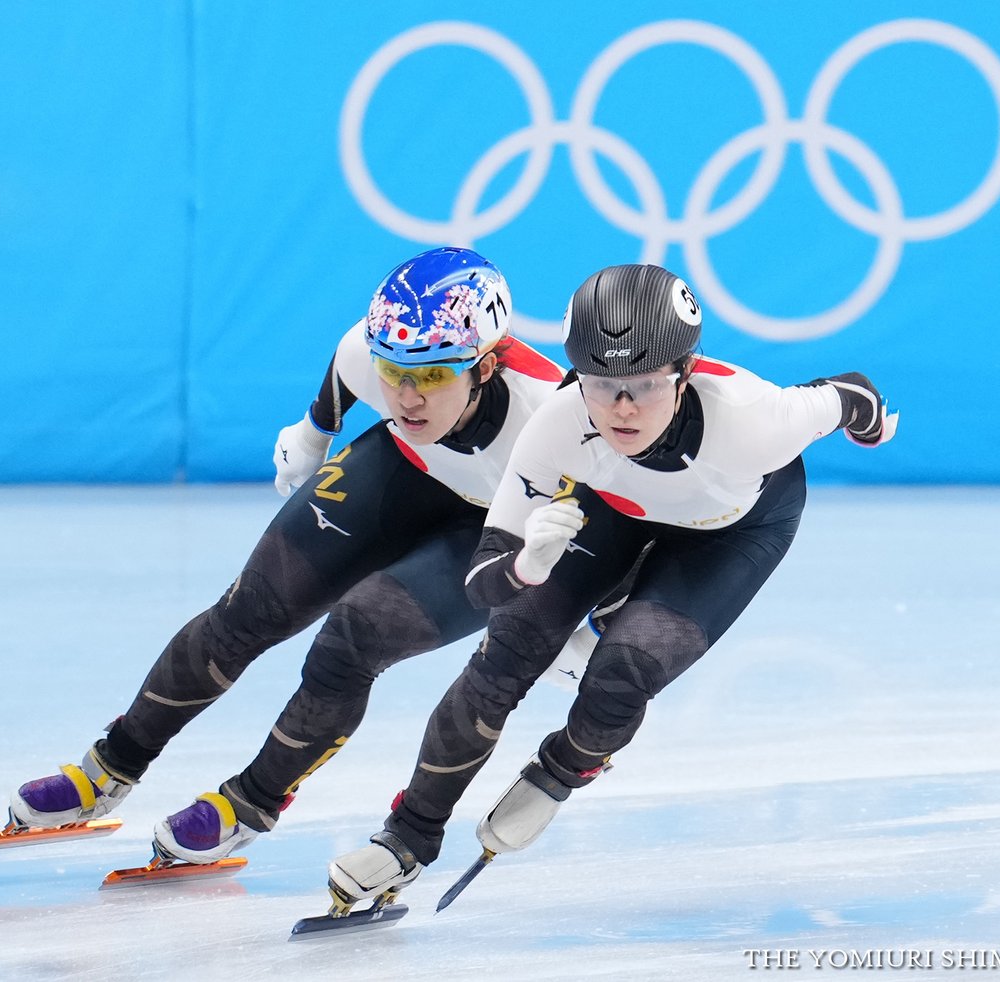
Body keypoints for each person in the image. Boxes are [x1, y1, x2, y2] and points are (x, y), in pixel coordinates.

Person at [327, 262, 898, 906]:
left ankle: (562, 768)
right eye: (601, 384)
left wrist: (871, 426)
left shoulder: (754, 418)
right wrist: (523, 565)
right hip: (614, 509)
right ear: (577, 375)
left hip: (731, 532)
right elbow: (483, 581)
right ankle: (406, 837)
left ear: (684, 373)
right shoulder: (559, 423)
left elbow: (851, 392)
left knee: (623, 672)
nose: (621, 408)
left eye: (645, 386)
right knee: (503, 655)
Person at [9, 246, 564, 865]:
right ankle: (111, 765)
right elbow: (349, 362)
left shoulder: (551, 417)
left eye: (432, 375)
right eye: (394, 371)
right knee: (249, 608)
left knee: (353, 639)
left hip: (495, 526)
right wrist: (313, 433)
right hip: (407, 470)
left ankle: (252, 801)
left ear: (486, 367)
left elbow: (613, 521)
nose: (407, 397)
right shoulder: (373, 351)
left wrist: (578, 617)